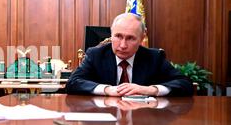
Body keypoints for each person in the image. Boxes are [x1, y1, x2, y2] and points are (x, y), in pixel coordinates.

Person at [66, 13, 194, 96]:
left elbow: (185, 84)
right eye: (118, 36)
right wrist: (107, 89)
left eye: (131, 38)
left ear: (142, 37)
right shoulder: (96, 54)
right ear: (111, 34)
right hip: (105, 122)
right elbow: (73, 83)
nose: (122, 45)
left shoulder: (154, 57)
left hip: (143, 121)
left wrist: (151, 90)